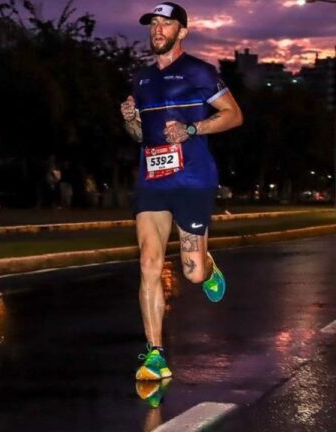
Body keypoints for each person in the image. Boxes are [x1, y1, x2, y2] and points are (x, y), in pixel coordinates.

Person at [119, 2, 243, 384]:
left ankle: (207, 267)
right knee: (148, 262)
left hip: (193, 178)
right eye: (153, 24)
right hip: (153, 179)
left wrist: (192, 130)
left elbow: (234, 115)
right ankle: (156, 354)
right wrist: (131, 122)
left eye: (166, 24)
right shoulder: (140, 79)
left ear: (182, 32)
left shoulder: (200, 72)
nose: (158, 30)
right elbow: (140, 137)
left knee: (190, 273)